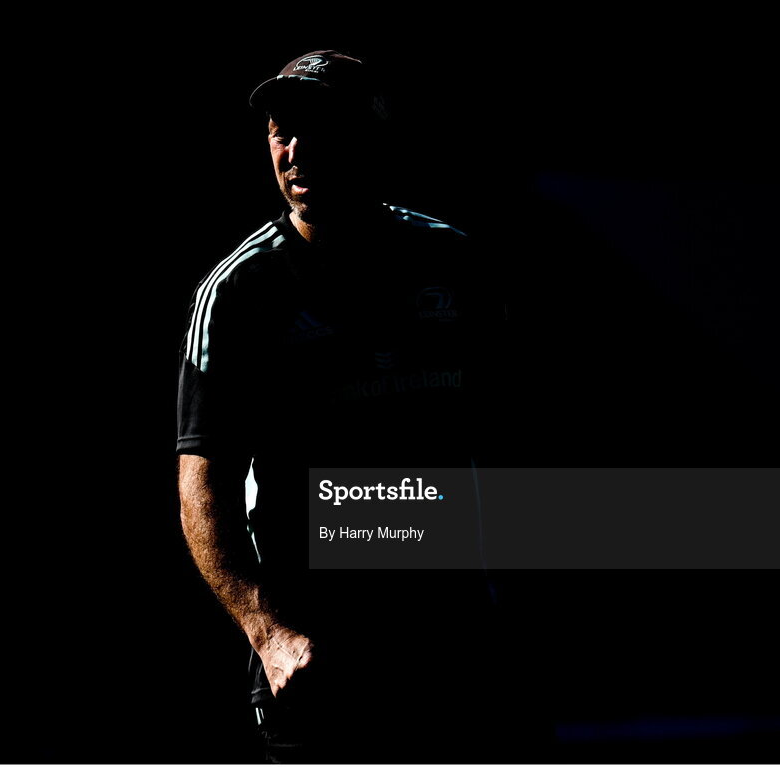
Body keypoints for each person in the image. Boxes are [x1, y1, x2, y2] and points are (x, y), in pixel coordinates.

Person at [176, 50, 524, 762]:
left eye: (317, 127)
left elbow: (515, 430)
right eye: (280, 130)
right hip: (320, 654)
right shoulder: (241, 293)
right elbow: (200, 482)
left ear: (372, 134)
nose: (294, 149)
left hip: (455, 641)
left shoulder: (455, 265)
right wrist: (269, 633)